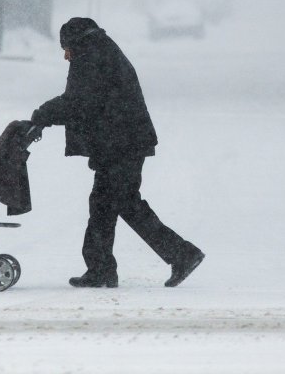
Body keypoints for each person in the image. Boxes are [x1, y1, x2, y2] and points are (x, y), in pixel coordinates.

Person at [30, 17, 204, 288]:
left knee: (123, 203)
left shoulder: (91, 56)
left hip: (122, 143)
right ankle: (101, 268)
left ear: (75, 41)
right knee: (106, 204)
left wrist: (42, 115)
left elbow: (79, 101)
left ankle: (181, 254)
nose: (65, 55)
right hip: (121, 141)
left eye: (65, 48)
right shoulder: (99, 49)